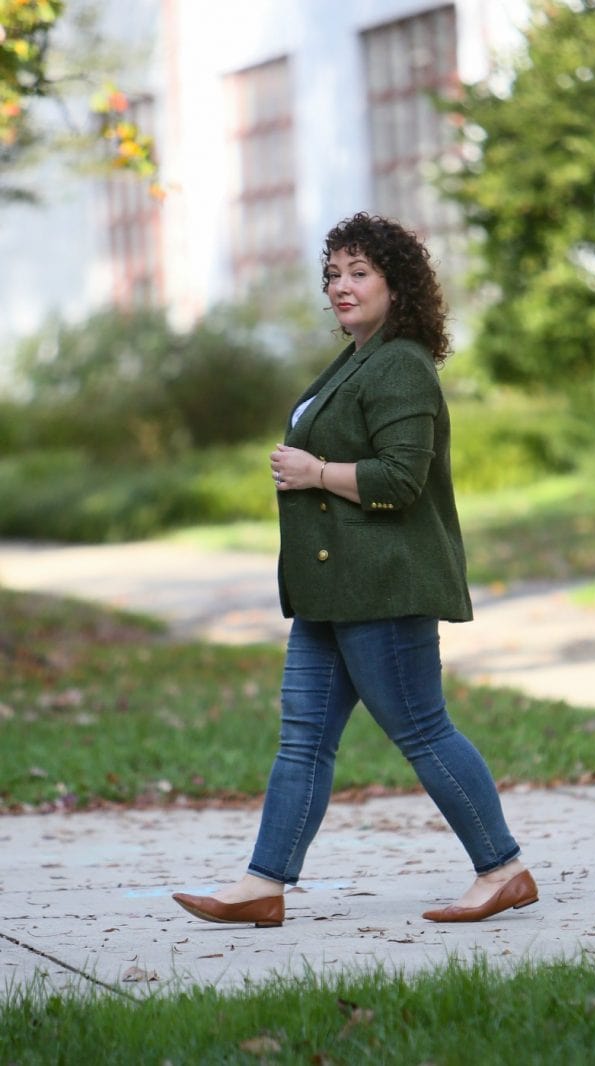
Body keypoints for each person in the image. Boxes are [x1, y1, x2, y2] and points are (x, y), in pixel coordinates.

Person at [172, 212, 538, 927]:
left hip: (383, 584)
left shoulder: (401, 364)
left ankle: (504, 868)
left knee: (422, 730)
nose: (341, 285)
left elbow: (402, 478)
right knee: (304, 737)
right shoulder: (354, 359)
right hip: (331, 590)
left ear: (397, 285)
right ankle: (262, 884)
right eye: (334, 273)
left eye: (359, 272)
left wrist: (315, 472)